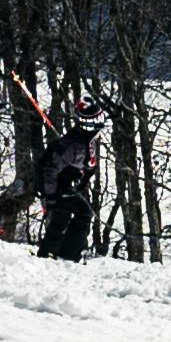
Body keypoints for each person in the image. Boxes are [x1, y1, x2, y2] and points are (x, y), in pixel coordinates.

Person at [37, 95, 107, 261]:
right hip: (57, 184)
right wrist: (51, 196)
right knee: (83, 212)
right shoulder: (72, 144)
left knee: (63, 215)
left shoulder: (87, 138)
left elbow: (86, 162)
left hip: (65, 183)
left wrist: (84, 174)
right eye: (96, 120)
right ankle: (67, 254)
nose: (100, 124)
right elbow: (50, 170)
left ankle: (49, 252)